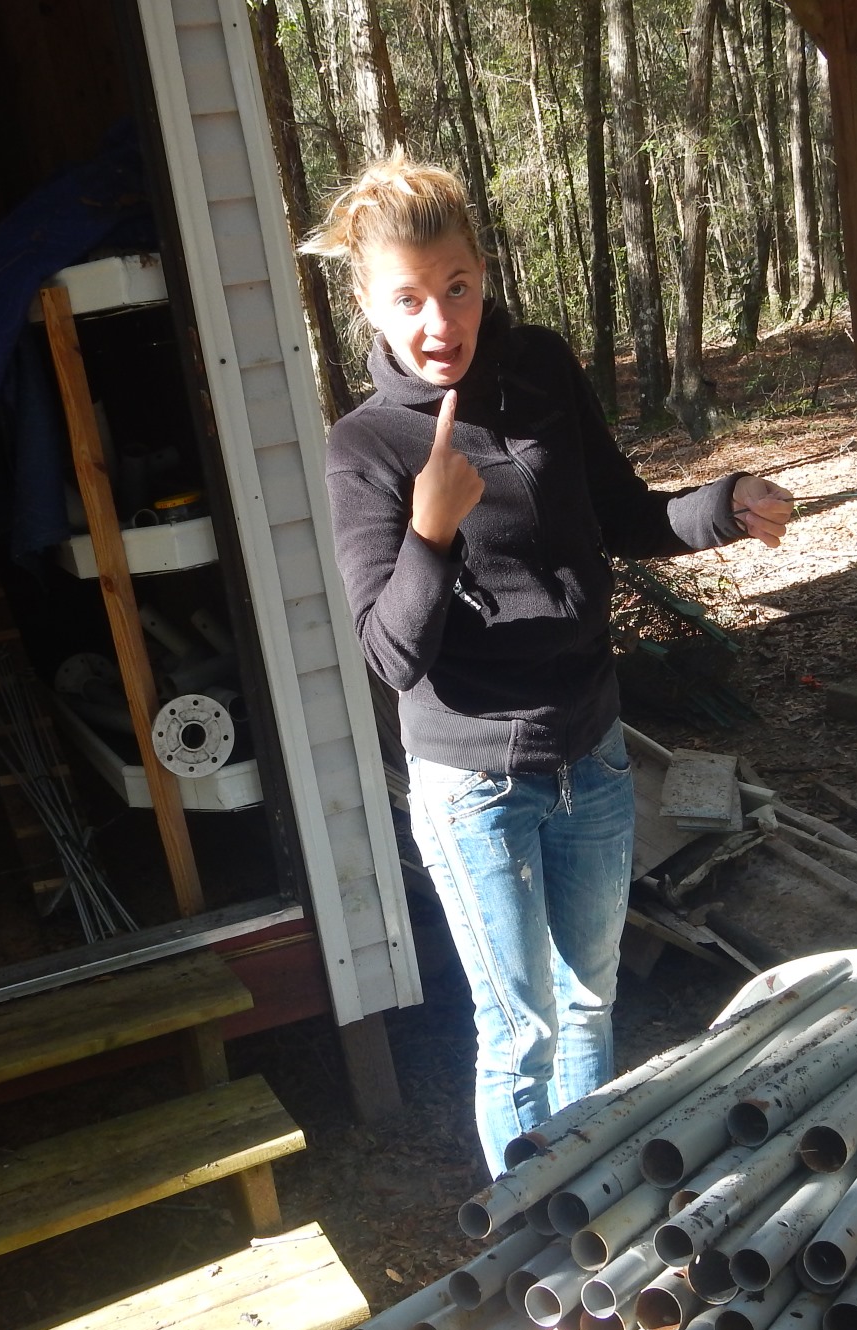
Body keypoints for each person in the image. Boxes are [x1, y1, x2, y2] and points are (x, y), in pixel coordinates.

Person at [304, 151, 793, 1176]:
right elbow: (391, 655)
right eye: (408, 299)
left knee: (588, 1005)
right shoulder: (365, 448)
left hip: (594, 752)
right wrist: (430, 534)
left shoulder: (540, 372)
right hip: (476, 783)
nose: (439, 322)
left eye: (456, 288)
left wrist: (725, 504)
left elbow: (622, 514)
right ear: (367, 307)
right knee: (518, 1029)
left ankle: (596, 1202)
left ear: (482, 275)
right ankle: (533, 1236)